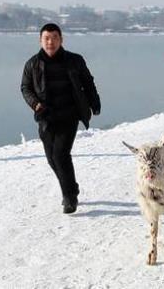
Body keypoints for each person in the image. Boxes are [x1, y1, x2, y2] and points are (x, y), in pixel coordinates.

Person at [21, 23, 101, 214]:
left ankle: (69, 199)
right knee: (51, 159)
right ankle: (71, 186)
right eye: (47, 38)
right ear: (40, 41)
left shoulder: (75, 60)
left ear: (61, 40)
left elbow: (88, 82)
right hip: (46, 117)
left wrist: (95, 103)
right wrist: (35, 104)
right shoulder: (32, 64)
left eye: (55, 38)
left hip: (69, 115)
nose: (51, 42)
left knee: (60, 155)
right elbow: (26, 88)